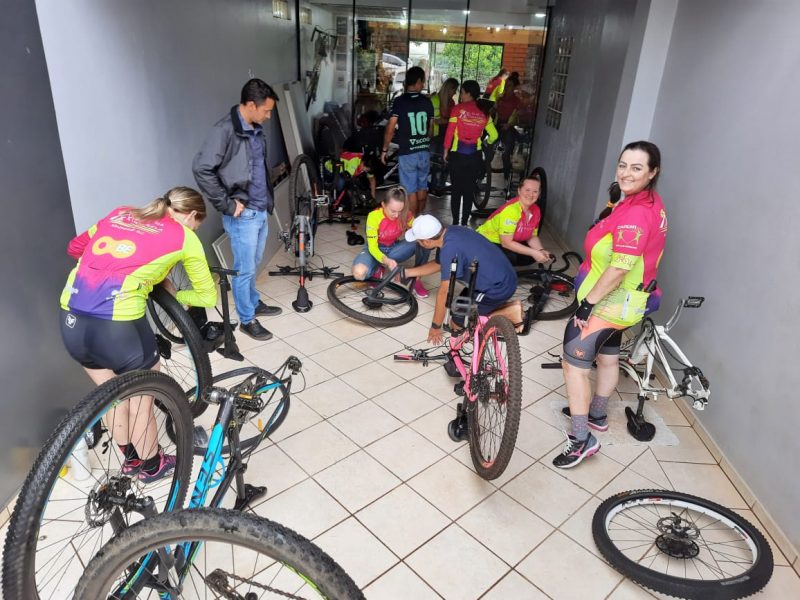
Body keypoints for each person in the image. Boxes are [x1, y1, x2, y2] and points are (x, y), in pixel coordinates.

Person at [60, 187, 217, 483]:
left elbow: (75, 248)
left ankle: (131, 461)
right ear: (192, 216)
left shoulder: (121, 213)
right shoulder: (185, 237)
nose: (195, 230)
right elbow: (207, 296)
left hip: (72, 319)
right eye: (197, 225)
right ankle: (152, 466)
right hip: (118, 328)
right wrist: (175, 293)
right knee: (142, 399)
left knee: (112, 396)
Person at [554, 141, 668, 469]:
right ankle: (597, 415)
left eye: (637, 168)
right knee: (607, 357)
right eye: (623, 165)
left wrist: (587, 305)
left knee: (574, 365)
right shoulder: (646, 202)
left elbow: (619, 268)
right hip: (629, 302)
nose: (626, 173)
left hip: (610, 302)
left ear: (653, 172)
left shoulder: (637, 213)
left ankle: (581, 439)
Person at [193, 78, 283, 342]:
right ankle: (247, 319)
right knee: (244, 269)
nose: (268, 116)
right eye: (266, 111)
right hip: (242, 215)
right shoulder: (224, 131)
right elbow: (202, 169)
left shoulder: (255, 129)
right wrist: (227, 204)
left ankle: (253, 302)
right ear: (251, 105)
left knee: (252, 264)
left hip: (259, 210)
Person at [402, 215, 519, 344]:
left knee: (457, 322)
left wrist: (435, 327)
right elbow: (440, 264)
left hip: (497, 288)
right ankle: (504, 308)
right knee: (459, 306)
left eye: (418, 241)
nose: (418, 243)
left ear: (426, 242)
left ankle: (510, 314)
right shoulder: (451, 232)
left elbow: (444, 292)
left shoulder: (449, 250)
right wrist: (408, 272)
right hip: (504, 276)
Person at [352, 187, 430, 298]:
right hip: (374, 249)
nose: (397, 215)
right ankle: (377, 268)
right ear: (383, 205)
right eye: (393, 211)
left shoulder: (406, 214)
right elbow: (373, 247)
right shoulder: (374, 216)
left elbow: (417, 230)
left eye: (400, 211)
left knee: (425, 241)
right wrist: (386, 261)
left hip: (393, 249)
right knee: (359, 273)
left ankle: (416, 279)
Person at [443, 80, 498, 226]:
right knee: (468, 191)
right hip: (474, 157)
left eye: (462, 92)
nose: (460, 95)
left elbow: (449, 132)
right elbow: (494, 135)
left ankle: (455, 223)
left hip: (457, 156)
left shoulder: (457, 109)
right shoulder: (484, 112)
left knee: (456, 191)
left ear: (468, 93)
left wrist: (445, 150)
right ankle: (464, 223)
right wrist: (486, 143)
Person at [381, 66, 434, 216]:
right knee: (422, 186)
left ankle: (413, 222)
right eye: (423, 81)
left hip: (407, 152)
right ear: (417, 82)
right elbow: (431, 129)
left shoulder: (400, 101)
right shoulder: (427, 102)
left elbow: (391, 127)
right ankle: (420, 217)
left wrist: (384, 149)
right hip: (424, 151)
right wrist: (424, 141)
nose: (423, 84)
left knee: (410, 190)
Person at [476, 172, 550, 266]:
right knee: (513, 256)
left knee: (529, 257)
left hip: (504, 242)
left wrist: (540, 250)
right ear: (519, 191)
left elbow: (532, 236)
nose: (531, 194)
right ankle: (495, 268)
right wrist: (533, 252)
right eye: (527, 190)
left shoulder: (536, 210)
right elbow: (506, 243)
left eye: (535, 191)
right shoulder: (511, 210)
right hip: (486, 242)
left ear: (539, 194)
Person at [429, 78, 459, 194]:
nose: (455, 93)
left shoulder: (451, 102)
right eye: (454, 90)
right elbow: (436, 120)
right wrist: (450, 121)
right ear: (449, 89)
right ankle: (433, 185)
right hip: (435, 134)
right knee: (434, 160)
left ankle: (440, 185)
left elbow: (446, 120)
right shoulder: (435, 99)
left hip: (447, 134)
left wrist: (447, 121)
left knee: (444, 161)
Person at [494, 77, 522, 184]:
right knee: (488, 150)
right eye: (506, 85)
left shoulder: (517, 101)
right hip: (497, 126)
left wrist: (509, 124)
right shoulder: (500, 98)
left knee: (506, 155)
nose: (506, 87)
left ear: (514, 87)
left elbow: (516, 116)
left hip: (508, 127)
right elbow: (494, 111)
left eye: (509, 85)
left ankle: (506, 180)